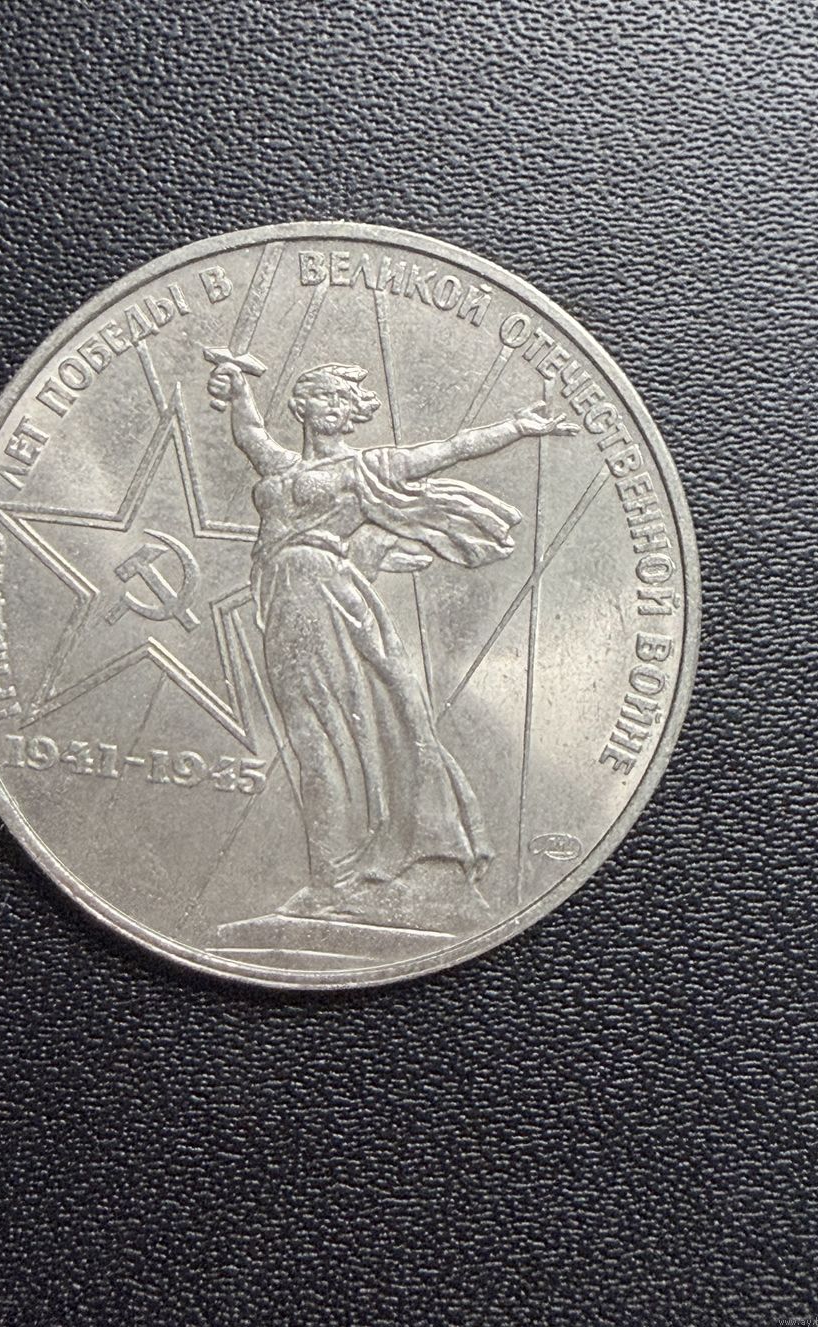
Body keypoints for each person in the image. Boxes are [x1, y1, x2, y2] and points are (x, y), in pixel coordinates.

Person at [207, 358, 578, 928]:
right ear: (301, 405)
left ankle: (349, 876)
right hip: (284, 606)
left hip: (329, 597)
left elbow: (450, 449)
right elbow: (250, 434)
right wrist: (237, 389)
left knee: (345, 731)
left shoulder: (367, 467)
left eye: (344, 400)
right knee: (310, 738)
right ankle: (331, 877)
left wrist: (516, 427)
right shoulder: (281, 466)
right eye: (326, 396)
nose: (336, 408)